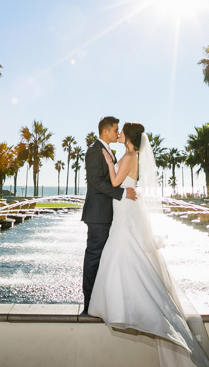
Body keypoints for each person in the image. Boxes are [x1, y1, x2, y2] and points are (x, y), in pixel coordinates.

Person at [88, 122, 209, 367]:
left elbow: (116, 182)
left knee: (125, 248)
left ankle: (124, 305)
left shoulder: (128, 155)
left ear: (128, 136)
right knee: (128, 249)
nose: (120, 133)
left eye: (122, 130)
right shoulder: (130, 154)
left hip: (126, 209)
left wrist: (108, 161)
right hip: (126, 206)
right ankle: (121, 301)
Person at [82, 116, 137, 315]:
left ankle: (102, 302)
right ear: (105, 131)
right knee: (94, 257)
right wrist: (122, 193)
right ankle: (89, 304)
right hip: (98, 215)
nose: (117, 133)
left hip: (111, 214)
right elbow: (96, 182)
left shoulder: (109, 152)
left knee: (106, 259)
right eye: (115, 129)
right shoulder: (94, 151)